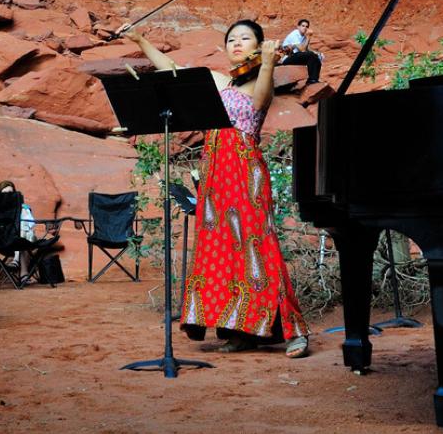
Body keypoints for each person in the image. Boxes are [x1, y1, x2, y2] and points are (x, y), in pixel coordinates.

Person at [132, 20, 311, 357]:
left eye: (245, 38)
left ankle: (292, 332)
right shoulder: (217, 81)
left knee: (259, 246)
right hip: (214, 173)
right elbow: (172, 68)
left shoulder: (262, 77)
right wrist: (140, 39)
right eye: (231, 39)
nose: (237, 44)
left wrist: (270, 61)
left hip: (245, 171)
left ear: (258, 46)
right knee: (221, 249)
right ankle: (239, 330)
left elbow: (259, 103)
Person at [279, 18, 323, 86]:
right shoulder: (294, 34)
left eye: (306, 26)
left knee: (316, 57)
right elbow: (302, 50)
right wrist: (308, 37)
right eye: (303, 26)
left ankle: (313, 79)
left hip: (297, 56)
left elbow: (307, 49)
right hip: (287, 58)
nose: (305, 28)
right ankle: (312, 79)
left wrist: (316, 53)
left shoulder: (304, 36)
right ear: (298, 27)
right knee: (310, 55)